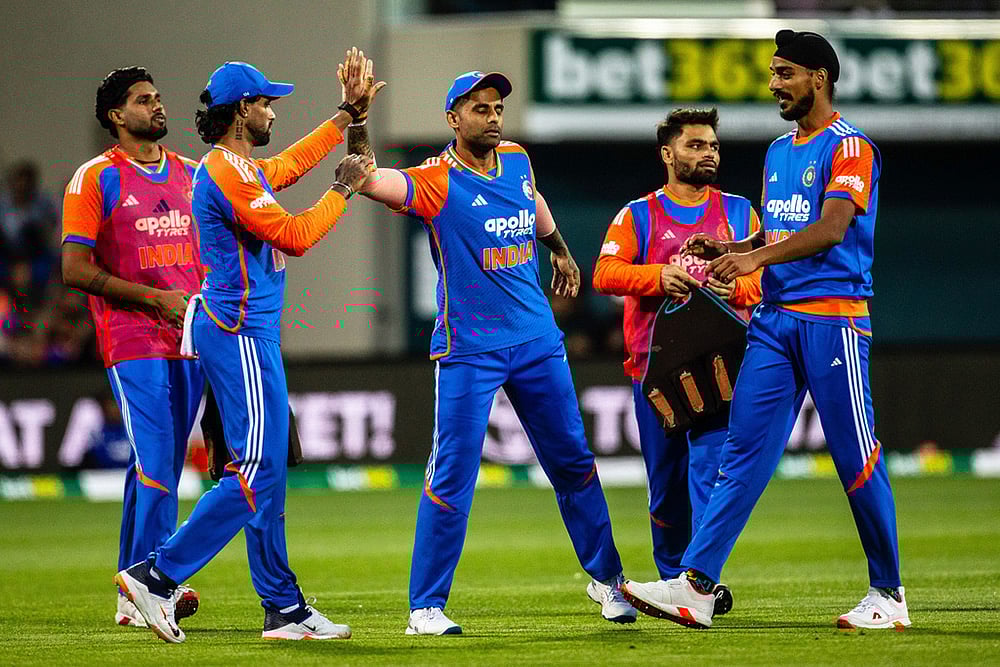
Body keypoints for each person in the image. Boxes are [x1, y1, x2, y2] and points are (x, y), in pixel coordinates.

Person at [623, 30, 909, 631]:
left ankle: (888, 593)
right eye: (774, 73)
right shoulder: (780, 150)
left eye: (785, 73)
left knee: (856, 456)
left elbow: (831, 229)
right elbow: (781, 231)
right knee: (742, 451)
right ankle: (697, 586)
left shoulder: (852, 148)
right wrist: (733, 246)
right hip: (776, 325)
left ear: (819, 78)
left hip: (834, 321)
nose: (774, 84)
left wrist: (754, 261)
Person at [348, 60, 635, 635]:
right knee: (452, 473)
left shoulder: (519, 160)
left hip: (536, 341)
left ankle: (608, 580)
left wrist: (559, 248)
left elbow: (534, 200)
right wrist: (357, 117)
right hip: (469, 350)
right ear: (453, 118)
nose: (493, 116)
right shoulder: (435, 179)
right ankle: (425, 608)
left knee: (574, 462)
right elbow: (366, 178)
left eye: (498, 107)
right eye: (480, 109)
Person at [114, 55, 379, 644]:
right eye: (265, 103)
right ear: (242, 111)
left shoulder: (236, 164)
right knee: (257, 470)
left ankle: (282, 607)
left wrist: (346, 117)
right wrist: (342, 188)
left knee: (267, 471)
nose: (272, 111)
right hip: (237, 333)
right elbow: (296, 235)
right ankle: (156, 577)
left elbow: (285, 166)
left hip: (242, 332)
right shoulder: (226, 171)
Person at [593, 107, 763, 619]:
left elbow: (768, 283)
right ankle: (671, 580)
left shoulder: (741, 214)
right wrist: (656, 277)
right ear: (668, 154)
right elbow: (604, 272)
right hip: (655, 372)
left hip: (723, 366)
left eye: (712, 145)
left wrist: (737, 285)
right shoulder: (637, 215)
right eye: (695, 145)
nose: (707, 153)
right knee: (665, 490)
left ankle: (697, 581)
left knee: (711, 472)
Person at [61, 67, 204, 629]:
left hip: (189, 337)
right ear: (118, 117)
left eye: (158, 96)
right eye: (144, 100)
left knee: (157, 462)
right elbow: (74, 268)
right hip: (131, 337)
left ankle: (130, 584)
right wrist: (152, 299)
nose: (158, 105)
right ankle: (156, 584)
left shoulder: (192, 173)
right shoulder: (94, 178)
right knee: (158, 462)